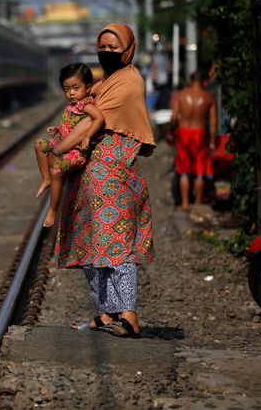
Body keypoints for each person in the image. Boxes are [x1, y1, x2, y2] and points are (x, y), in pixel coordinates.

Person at [55, 23, 156, 339]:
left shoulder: (127, 82)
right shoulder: (104, 82)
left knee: (116, 244)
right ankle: (107, 313)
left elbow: (87, 124)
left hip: (112, 175)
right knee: (91, 246)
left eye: (114, 47)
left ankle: (128, 315)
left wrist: (57, 150)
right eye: (103, 47)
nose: (107, 52)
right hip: (91, 176)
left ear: (127, 49)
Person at [34, 63, 105, 228]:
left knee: (57, 170)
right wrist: (58, 129)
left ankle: (52, 210)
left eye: (75, 88)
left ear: (87, 88)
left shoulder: (85, 104)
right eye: (66, 89)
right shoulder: (73, 106)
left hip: (75, 152)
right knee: (39, 144)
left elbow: (99, 118)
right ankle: (46, 179)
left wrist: (87, 136)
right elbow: (71, 126)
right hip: (62, 143)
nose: (71, 93)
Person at [169, 71, 218, 210]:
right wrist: (212, 141)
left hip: (183, 132)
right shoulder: (208, 97)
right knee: (199, 169)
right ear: (203, 82)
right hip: (200, 133)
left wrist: (171, 133)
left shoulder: (181, 95)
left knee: (184, 169)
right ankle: (197, 203)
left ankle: (184, 203)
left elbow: (173, 118)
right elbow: (213, 122)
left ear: (190, 82)